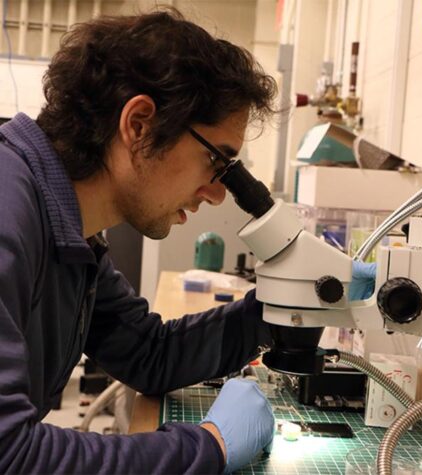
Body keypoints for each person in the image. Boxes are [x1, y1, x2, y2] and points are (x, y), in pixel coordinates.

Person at [0, 7, 375, 474]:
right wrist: (210, 447)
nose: (218, 193)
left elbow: (146, 351)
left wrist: (283, 308)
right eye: (216, 161)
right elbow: (11, 455)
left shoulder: (70, 228)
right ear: (138, 125)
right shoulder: (8, 211)